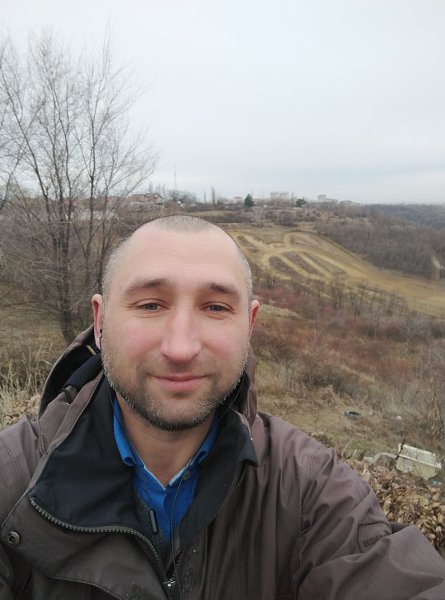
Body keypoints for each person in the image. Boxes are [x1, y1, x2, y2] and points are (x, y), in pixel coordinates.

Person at [0, 215, 444, 600]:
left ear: (249, 325)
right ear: (100, 322)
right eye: (150, 305)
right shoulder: (11, 480)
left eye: (215, 308)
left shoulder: (311, 492)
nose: (180, 348)